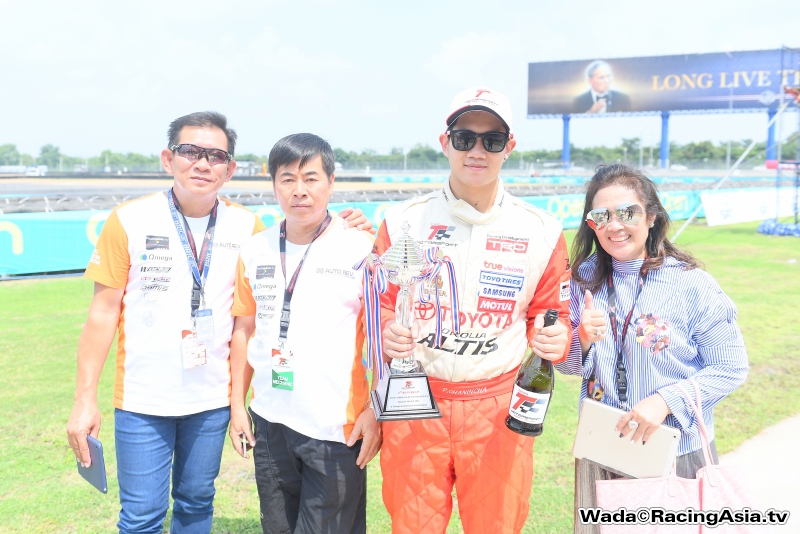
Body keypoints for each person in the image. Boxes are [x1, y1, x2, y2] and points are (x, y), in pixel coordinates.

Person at [65, 112, 372, 534]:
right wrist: (84, 399)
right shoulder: (129, 220)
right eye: (191, 152)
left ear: (229, 169)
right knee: (140, 518)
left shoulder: (249, 228)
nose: (203, 163)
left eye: (216, 155)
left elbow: (299, 247)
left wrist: (349, 227)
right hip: (142, 401)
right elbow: (101, 314)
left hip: (210, 402)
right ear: (168, 158)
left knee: (196, 505)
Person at [376, 87, 572, 534]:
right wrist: (387, 327)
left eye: (492, 140)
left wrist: (557, 337)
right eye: (464, 138)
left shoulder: (541, 230)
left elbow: (551, 314)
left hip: (497, 409)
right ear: (445, 143)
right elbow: (381, 305)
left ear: (510, 146)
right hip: (415, 402)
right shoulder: (402, 221)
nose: (477, 150)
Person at [556, 164, 749, 534]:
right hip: (602, 450)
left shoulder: (692, 284)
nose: (614, 225)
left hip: (674, 452)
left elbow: (731, 367)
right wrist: (579, 339)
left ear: (652, 216)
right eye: (601, 216)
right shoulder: (581, 280)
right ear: (590, 223)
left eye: (627, 213)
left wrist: (664, 401)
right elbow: (568, 367)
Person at [229, 133, 381, 534]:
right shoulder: (254, 250)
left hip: (336, 428)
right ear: (274, 185)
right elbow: (245, 330)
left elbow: (384, 341)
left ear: (331, 183)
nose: (300, 191)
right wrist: (238, 406)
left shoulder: (362, 248)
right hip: (271, 421)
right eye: (287, 179)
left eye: (311, 178)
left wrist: (375, 412)